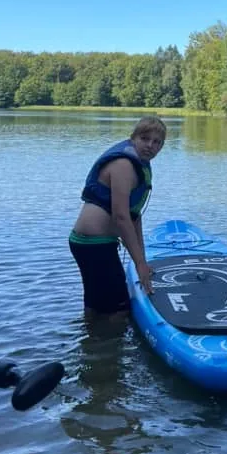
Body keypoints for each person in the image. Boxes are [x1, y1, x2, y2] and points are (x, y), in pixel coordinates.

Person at [69, 117, 166, 315]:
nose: (150, 145)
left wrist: (143, 261)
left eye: (157, 142)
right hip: (93, 244)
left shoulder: (140, 164)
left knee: (98, 307)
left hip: (97, 243)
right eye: (145, 138)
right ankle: (102, 343)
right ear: (133, 138)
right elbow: (121, 217)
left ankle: (92, 339)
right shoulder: (124, 165)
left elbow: (134, 217)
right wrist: (138, 265)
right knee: (117, 312)